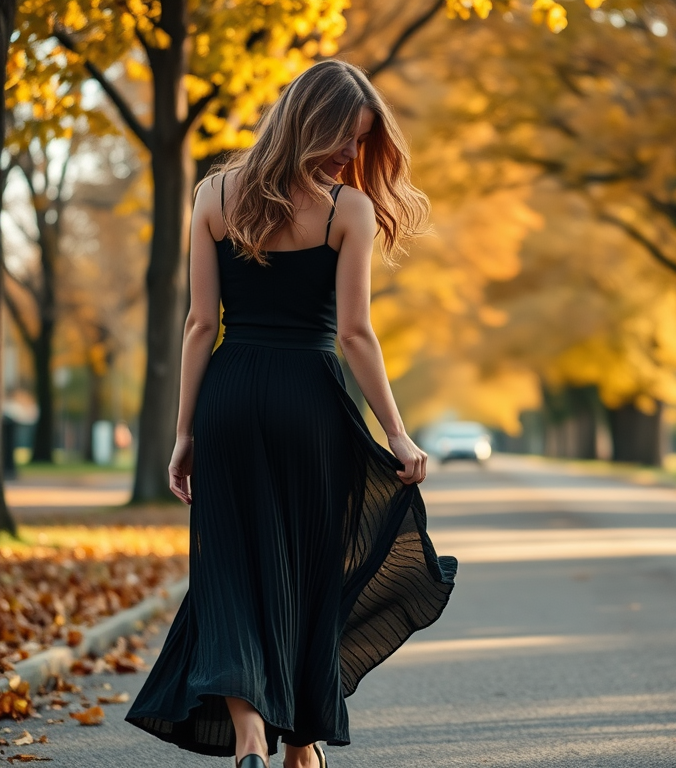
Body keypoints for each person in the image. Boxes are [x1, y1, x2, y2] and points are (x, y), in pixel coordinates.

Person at [125, 60, 457, 768]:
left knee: (233, 569)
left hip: (231, 396)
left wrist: (186, 432)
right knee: (309, 568)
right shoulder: (347, 210)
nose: (348, 156)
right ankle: (299, 742)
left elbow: (197, 325)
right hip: (309, 401)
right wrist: (395, 432)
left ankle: (255, 734)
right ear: (311, 124)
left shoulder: (214, 193)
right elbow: (354, 333)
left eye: (359, 144)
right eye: (344, 139)